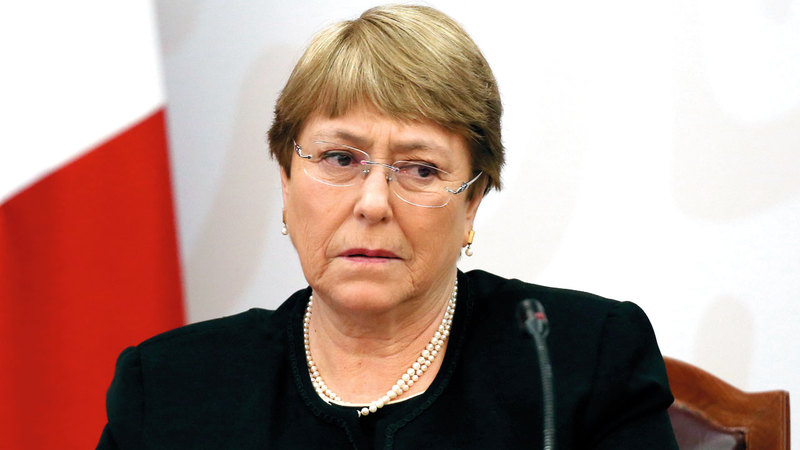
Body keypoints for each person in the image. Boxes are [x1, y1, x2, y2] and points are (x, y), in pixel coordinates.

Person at [97, 5, 677, 449]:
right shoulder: (170, 387)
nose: (373, 203)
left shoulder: (579, 360)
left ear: (472, 203)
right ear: (286, 183)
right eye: (339, 159)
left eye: (420, 169)